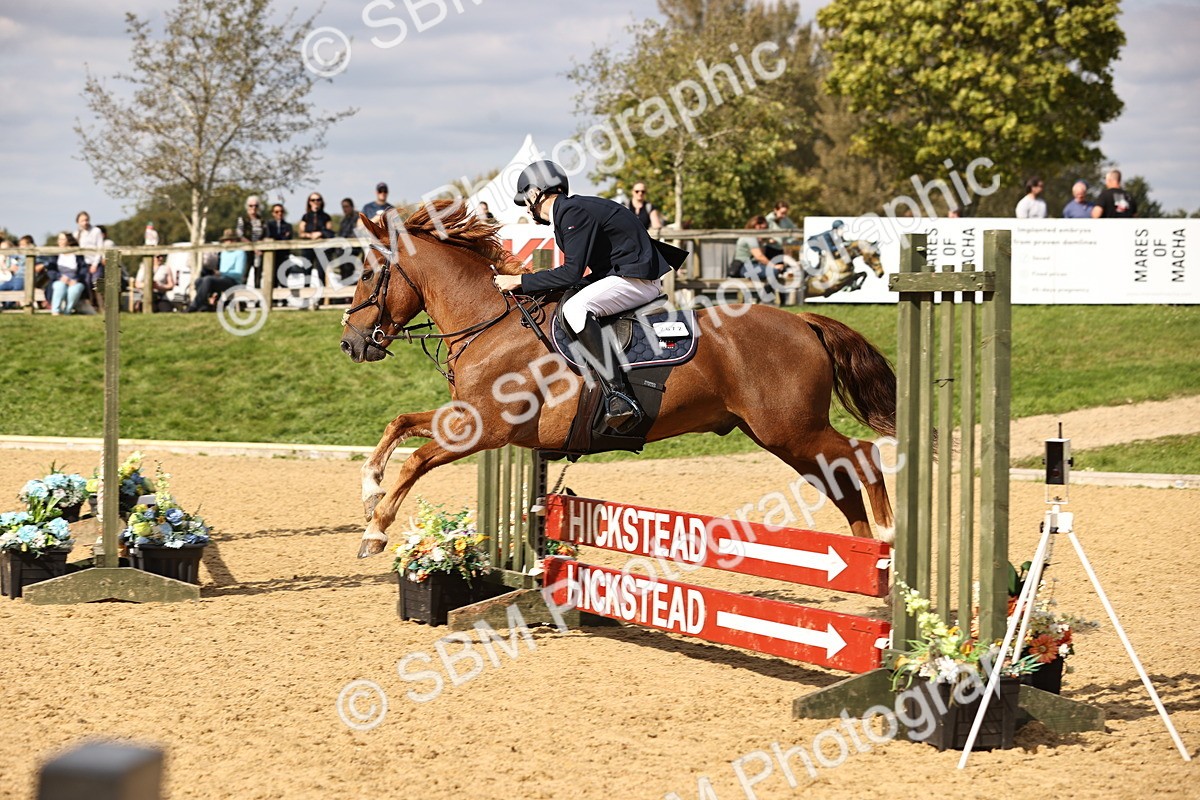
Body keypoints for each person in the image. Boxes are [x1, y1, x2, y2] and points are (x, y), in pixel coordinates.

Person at [493, 160, 679, 433]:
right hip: (622, 274)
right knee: (568, 298)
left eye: (527, 201)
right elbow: (579, 275)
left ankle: (619, 395)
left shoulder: (570, 212)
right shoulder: (570, 212)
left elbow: (570, 273)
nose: (529, 209)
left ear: (535, 193)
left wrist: (520, 280)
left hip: (636, 279)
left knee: (575, 309)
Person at [188, 229, 245, 312]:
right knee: (199, 280)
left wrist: (221, 273)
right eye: (225, 241)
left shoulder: (240, 253)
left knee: (208, 280)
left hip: (233, 281)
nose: (228, 243)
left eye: (230, 240)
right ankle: (204, 306)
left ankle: (194, 306)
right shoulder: (224, 253)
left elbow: (239, 273)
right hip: (222, 278)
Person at [733, 216, 783, 303]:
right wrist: (774, 266)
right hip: (745, 267)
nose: (764, 231)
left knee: (776, 271)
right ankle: (766, 301)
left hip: (754, 266)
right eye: (763, 228)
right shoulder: (750, 236)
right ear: (756, 225)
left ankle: (764, 300)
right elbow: (759, 256)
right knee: (773, 271)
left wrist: (763, 241)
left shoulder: (755, 238)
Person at [298, 192, 334, 284]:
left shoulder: (326, 217)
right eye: (313, 200)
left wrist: (320, 233)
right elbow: (301, 233)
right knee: (306, 272)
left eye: (318, 200)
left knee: (321, 272)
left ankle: (323, 297)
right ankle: (306, 296)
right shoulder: (306, 216)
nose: (315, 202)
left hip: (322, 248)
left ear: (321, 202)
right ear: (309, 202)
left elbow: (330, 232)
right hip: (308, 247)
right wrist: (310, 235)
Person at [49, 232, 87, 315]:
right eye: (59, 239)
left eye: (62, 239)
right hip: (60, 279)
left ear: (69, 241)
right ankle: (55, 311)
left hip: (75, 280)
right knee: (60, 286)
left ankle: (68, 311)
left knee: (74, 290)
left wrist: (76, 279)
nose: (59, 241)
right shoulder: (55, 254)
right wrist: (60, 277)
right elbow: (51, 270)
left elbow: (84, 269)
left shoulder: (78, 254)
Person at [75, 211, 106, 308]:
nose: (85, 222)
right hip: (83, 263)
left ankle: (103, 306)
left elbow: (100, 248)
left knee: (97, 282)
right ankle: (91, 305)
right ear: (78, 222)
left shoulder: (96, 231)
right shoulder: (77, 234)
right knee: (86, 282)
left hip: (95, 261)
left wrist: (95, 264)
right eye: (82, 220)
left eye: (86, 220)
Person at [236, 195, 266, 282]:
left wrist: (261, 244)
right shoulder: (242, 219)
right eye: (251, 205)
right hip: (246, 251)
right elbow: (240, 235)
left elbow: (266, 234)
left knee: (258, 276)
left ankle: (258, 293)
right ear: (247, 206)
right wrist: (253, 247)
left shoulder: (262, 220)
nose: (253, 208)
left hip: (259, 252)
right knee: (244, 275)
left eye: (256, 206)